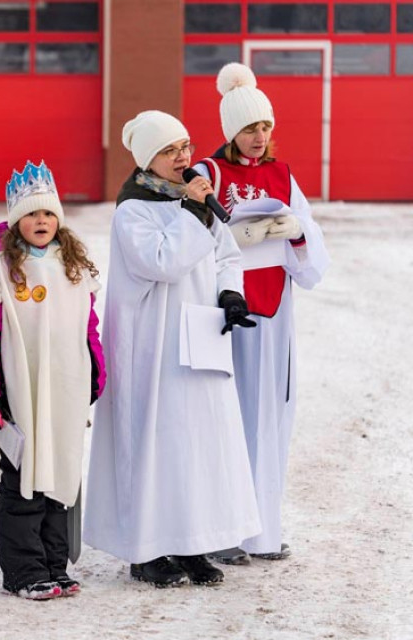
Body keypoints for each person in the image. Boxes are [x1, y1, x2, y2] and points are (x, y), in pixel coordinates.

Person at [83, 111, 262, 588]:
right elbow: (161, 262)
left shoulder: (193, 204)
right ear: (149, 160)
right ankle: (148, 549)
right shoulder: (133, 209)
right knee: (158, 442)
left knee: (199, 444)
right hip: (154, 344)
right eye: (170, 150)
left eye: (185, 145)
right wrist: (194, 213)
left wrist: (230, 293)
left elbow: (226, 253)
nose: (184, 156)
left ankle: (192, 543)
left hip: (199, 334)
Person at [194, 63, 330, 565]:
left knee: (269, 418)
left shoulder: (283, 174)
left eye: (266, 126)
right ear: (232, 131)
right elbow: (192, 236)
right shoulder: (207, 173)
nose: (259, 136)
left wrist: (296, 231)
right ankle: (222, 530)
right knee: (225, 418)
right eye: (250, 128)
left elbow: (313, 256)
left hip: (273, 315)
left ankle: (262, 530)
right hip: (224, 314)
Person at [0, 160, 105, 600]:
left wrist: (96, 370)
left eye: (47, 213)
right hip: (19, 394)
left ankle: (54, 564)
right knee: (24, 480)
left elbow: (87, 327)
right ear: (13, 221)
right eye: (30, 214)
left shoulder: (75, 268)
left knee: (60, 476)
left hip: (65, 390)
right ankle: (24, 570)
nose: (40, 221)